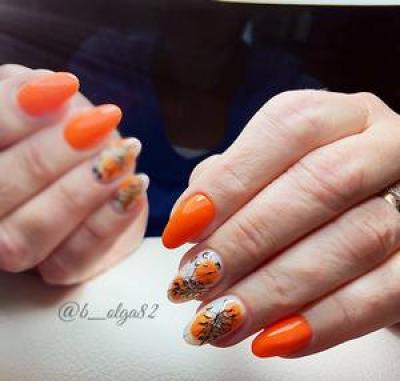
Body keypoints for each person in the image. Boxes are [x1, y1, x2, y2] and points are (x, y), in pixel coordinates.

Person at [1, 0, 400, 359]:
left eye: (217, 8)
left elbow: (332, 142)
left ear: (243, 13)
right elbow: (68, 131)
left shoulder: (280, 77)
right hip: (92, 318)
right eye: (189, 6)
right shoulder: (113, 58)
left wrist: (375, 184)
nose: (200, 17)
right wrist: (38, 146)